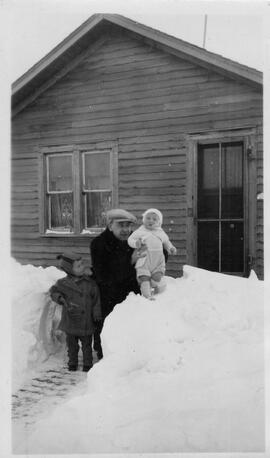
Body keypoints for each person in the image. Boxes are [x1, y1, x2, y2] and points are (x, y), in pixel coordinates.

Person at [90, 208, 144, 360]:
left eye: (128, 226)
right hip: (108, 295)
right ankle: (104, 358)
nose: (126, 230)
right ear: (110, 225)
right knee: (107, 329)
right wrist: (131, 261)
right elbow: (106, 275)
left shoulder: (133, 241)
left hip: (130, 294)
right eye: (121, 225)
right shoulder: (99, 244)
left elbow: (155, 252)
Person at [49, 251, 102, 372]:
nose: (82, 267)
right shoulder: (62, 283)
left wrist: (97, 313)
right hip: (71, 320)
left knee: (87, 346)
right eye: (78, 266)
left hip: (86, 321)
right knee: (72, 346)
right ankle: (72, 363)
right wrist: (60, 298)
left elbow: (96, 299)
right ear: (69, 270)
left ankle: (87, 364)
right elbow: (53, 292)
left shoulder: (90, 283)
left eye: (82, 264)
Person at [128, 208, 177, 299]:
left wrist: (171, 248)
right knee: (144, 278)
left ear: (159, 222)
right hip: (145, 259)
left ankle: (156, 290)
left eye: (154, 219)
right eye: (148, 218)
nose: (151, 220)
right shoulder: (140, 231)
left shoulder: (160, 232)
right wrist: (136, 243)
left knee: (157, 277)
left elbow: (166, 242)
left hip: (157, 260)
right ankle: (147, 296)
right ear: (143, 220)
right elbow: (130, 240)